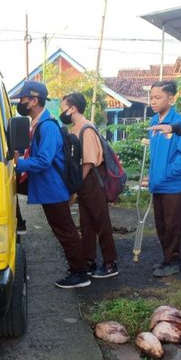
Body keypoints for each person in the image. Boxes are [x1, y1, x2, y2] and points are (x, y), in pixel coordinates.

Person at [13, 81, 90, 289]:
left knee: (65, 231)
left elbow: (44, 160)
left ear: (35, 100)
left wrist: (17, 163)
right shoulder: (39, 123)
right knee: (64, 230)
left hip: (53, 188)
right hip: (49, 188)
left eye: (23, 100)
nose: (20, 104)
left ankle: (80, 273)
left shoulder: (47, 126)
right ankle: (78, 268)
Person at [60, 93, 118, 278]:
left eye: (63, 109)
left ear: (73, 109)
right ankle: (90, 260)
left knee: (101, 221)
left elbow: (89, 161)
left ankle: (110, 263)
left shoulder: (87, 129)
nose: (63, 113)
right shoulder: (75, 129)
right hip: (85, 181)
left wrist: (77, 184)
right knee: (86, 223)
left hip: (92, 179)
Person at [145, 80, 181, 277]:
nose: (153, 101)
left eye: (158, 97)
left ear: (170, 98)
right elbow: (155, 155)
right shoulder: (154, 122)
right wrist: (153, 175)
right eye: (151, 97)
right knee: (161, 224)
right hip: (158, 184)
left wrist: (168, 173)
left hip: (173, 185)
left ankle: (173, 260)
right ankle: (168, 258)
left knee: (172, 225)